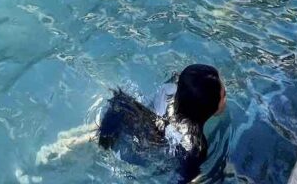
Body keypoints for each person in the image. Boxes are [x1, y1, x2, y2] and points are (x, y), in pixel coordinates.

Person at [97, 64, 229, 183]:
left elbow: (183, 77)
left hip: (141, 126)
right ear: (209, 108)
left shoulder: (170, 89)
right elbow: (184, 179)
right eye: (224, 95)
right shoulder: (195, 146)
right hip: (144, 158)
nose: (225, 99)